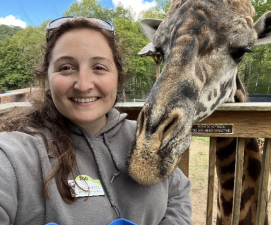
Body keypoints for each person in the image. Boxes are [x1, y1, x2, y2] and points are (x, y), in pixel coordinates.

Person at [0, 17, 192, 225]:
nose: (83, 85)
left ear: (118, 76)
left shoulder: (146, 137)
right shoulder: (13, 155)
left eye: (99, 67)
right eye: (66, 68)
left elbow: (178, 192)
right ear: (47, 77)